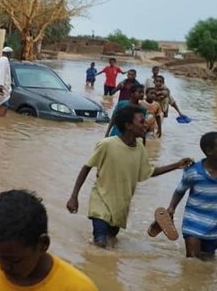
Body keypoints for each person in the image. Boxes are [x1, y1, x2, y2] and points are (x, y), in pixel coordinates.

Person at [67, 105, 192, 247]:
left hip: (121, 207)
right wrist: (74, 196)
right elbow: (87, 167)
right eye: (141, 121)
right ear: (128, 125)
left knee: (111, 242)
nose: (146, 124)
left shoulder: (140, 149)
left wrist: (176, 165)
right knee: (100, 243)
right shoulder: (107, 144)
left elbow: (148, 172)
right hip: (100, 202)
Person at [166, 132, 217, 259]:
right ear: (209, 151)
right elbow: (180, 190)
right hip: (192, 223)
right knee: (193, 261)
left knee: (207, 260)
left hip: (215, 226)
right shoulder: (193, 172)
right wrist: (171, 208)